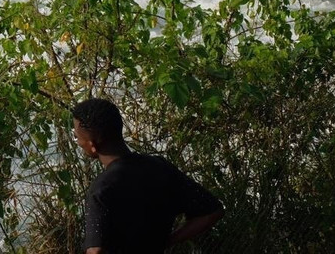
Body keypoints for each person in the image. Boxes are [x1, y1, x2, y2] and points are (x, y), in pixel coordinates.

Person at [71, 98, 224, 254]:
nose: (77, 141)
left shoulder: (101, 190)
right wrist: (167, 241)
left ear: (92, 145)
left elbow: (96, 251)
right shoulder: (160, 167)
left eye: (76, 136)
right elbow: (212, 211)